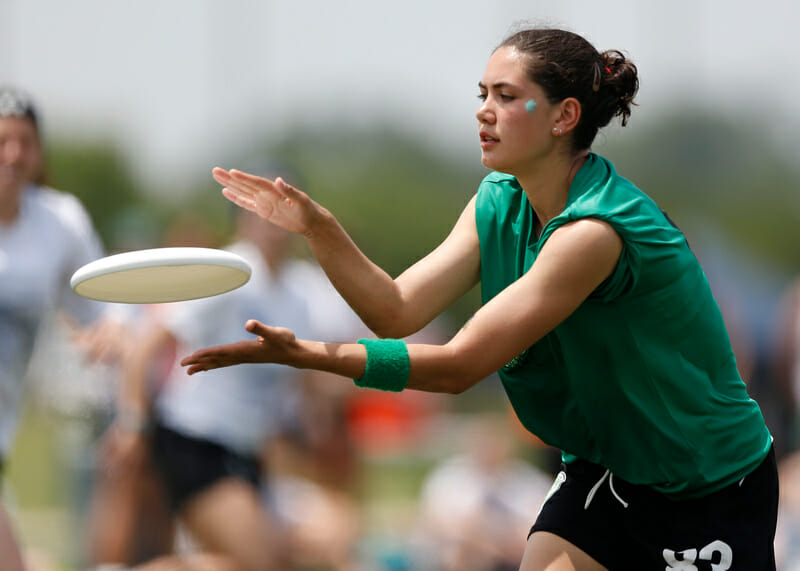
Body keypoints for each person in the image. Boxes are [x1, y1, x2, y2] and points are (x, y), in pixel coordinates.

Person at [181, 27, 778, 570]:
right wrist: (320, 229)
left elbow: (461, 365)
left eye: (505, 96)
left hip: (707, 484)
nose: (483, 112)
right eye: (481, 93)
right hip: (608, 474)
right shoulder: (498, 200)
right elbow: (394, 311)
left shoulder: (595, 233)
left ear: (563, 116)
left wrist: (312, 353)